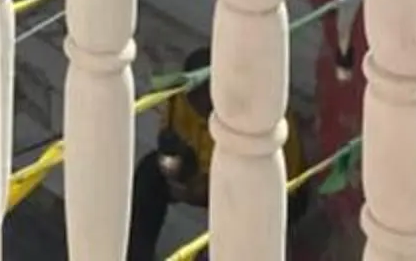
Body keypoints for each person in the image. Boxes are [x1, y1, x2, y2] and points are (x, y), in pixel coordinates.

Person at [124, 56, 310, 261]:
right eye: (193, 96)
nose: (196, 104)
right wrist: (177, 165)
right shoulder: (181, 98)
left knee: (217, 248)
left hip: (265, 195)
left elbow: (260, 183)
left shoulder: (258, 116)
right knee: (150, 175)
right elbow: (172, 145)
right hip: (205, 176)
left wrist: (206, 186)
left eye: (204, 96)